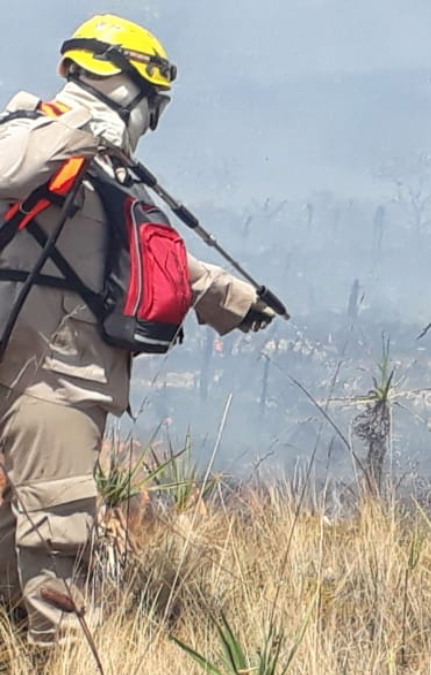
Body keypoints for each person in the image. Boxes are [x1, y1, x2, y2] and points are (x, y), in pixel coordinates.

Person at [0, 15, 274, 646]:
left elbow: (144, 257)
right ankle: (65, 656)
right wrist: (81, 126)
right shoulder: (34, 131)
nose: (151, 122)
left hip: (58, 370)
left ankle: (21, 642)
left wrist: (230, 297)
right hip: (50, 377)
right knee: (57, 530)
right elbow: (8, 168)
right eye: (153, 105)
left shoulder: (102, 173)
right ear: (127, 91)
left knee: (25, 525)